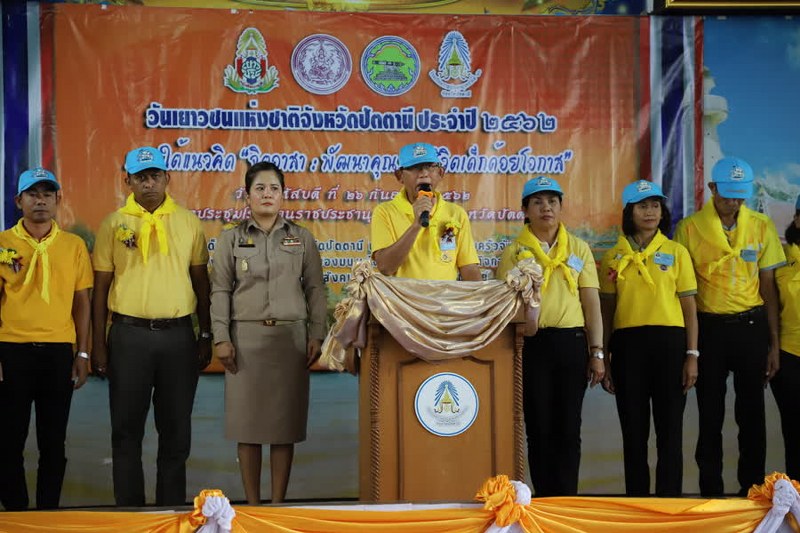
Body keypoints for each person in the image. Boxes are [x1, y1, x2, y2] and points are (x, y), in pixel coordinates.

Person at [92, 146, 211, 507]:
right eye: (140, 177)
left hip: (178, 337)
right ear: (126, 180)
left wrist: (205, 334)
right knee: (126, 431)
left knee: (175, 432)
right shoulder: (113, 224)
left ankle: (169, 512)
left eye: (155, 175)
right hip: (128, 337)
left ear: (167, 178)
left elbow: (201, 283)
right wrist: (98, 344)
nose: (148, 183)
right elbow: (100, 289)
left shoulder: (188, 222)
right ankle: (130, 514)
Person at [210, 162, 326, 504]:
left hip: (290, 341)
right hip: (245, 342)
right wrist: (221, 338)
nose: (267, 194)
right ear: (247, 195)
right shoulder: (231, 238)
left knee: (283, 427)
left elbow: (315, 289)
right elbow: (220, 291)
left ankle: (277, 506)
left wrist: (317, 334)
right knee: (246, 426)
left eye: (274, 188)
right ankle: (253, 507)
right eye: (259, 188)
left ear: (283, 195)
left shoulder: (301, 238)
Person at [674, 156, 784, 497]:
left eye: (739, 196)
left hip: (750, 327)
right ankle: (711, 493)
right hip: (709, 330)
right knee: (710, 415)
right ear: (712, 188)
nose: (733, 203)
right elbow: (684, 293)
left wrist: (773, 344)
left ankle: (753, 491)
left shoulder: (762, 226)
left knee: (752, 414)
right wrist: (690, 349)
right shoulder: (689, 228)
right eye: (727, 195)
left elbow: (768, 287)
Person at [495, 176, 604, 497]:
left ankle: (567, 500)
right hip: (532, 346)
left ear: (561, 207)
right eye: (538, 202)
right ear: (525, 210)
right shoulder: (514, 252)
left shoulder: (579, 248)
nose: (547, 208)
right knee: (539, 428)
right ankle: (543, 500)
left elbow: (591, 303)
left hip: (572, 343)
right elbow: (505, 309)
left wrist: (597, 352)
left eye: (553, 201)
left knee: (569, 428)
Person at [0, 168, 92, 511]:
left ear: (58, 200)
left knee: (53, 443)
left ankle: (47, 514)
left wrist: (83, 353)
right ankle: (16, 514)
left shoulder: (73, 246)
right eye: (33, 194)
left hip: (57, 353)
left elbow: (82, 302)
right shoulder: (2, 243)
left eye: (47, 194)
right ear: (18, 201)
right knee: (8, 442)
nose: (40, 201)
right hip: (11, 351)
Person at [599, 180, 698, 497]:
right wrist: (604, 356)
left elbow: (689, 308)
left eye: (655, 205)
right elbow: (607, 311)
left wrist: (692, 355)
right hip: (627, 348)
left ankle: (669, 502)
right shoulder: (613, 255)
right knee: (633, 432)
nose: (650, 212)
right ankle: (637, 503)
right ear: (629, 212)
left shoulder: (676, 252)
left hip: (670, 345)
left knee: (670, 431)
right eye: (642, 206)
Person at [371, 142, 481, 281]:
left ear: (440, 172)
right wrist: (416, 225)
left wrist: (481, 294)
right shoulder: (384, 212)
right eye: (414, 167)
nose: (423, 174)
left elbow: (468, 267)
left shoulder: (456, 214)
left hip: (444, 295)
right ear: (400, 176)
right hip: (401, 295)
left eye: (429, 166)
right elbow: (386, 268)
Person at [770, 195, 800, 481]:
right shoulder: (781, 259)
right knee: (794, 432)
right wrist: (773, 349)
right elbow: (771, 309)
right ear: (797, 220)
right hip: (790, 355)